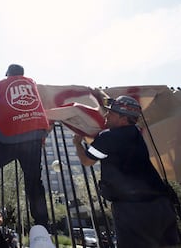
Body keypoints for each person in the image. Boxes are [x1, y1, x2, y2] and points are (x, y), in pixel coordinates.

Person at [72, 95, 180, 248]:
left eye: (111, 113)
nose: (106, 115)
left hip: (133, 209)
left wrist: (77, 144)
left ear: (123, 118)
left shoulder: (109, 136)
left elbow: (87, 161)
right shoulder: (136, 134)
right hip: (161, 205)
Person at [0, 64, 51, 228]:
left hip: (10, 138)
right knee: (34, 181)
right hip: (34, 137)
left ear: (8, 75)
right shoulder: (31, 82)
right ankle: (42, 224)